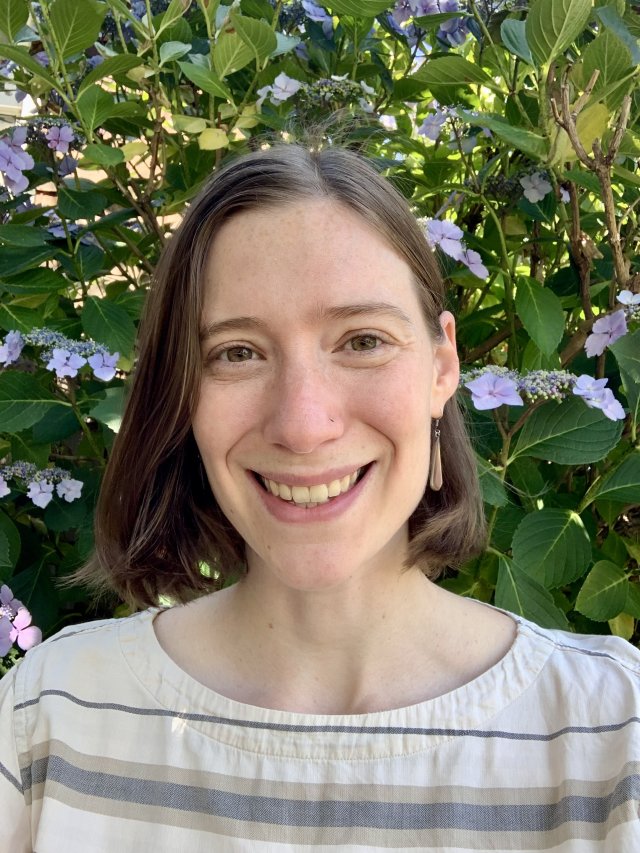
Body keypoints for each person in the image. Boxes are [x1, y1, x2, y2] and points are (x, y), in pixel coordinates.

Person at [1, 144, 639, 852]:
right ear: (183, 392)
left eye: (363, 341)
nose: (303, 426)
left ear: (442, 364)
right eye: (237, 352)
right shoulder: (49, 718)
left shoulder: (614, 733)